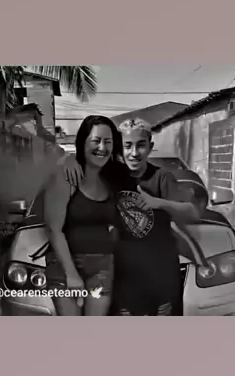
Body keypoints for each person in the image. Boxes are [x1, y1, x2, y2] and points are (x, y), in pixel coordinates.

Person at [63, 118, 202, 316]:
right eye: (128, 145)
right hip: (123, 277)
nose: (134, 153)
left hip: (160, 276)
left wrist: (159, 203)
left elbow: (192, 212)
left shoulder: (162, 177)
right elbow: (85, 161)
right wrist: (69, 159)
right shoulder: (111, 175)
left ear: (150, 147)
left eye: (141, 145)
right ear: (120, 148)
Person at [43, 115, 124, 316]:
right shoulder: (67, 175)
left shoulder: (111, 178)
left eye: (108, 141)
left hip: (102, 267)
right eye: (96, 140)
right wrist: (71, 274)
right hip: (65, 265)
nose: (102, 147)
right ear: (83, 142)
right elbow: (53, 229)